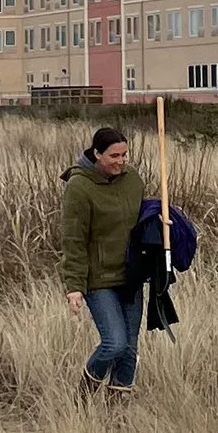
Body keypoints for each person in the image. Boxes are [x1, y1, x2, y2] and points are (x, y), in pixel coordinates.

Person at [60, 123, 147, 395]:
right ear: (97, 154)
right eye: (114, 156)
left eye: (124, 155)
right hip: (99, 279)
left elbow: (141, 220)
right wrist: (74, 286)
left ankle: (117, 413)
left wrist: (161, 223)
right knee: (115, 343)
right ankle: (83, 396)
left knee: (130, 348)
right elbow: (73, 239)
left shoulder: (133, 180)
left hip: (130, 275)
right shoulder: (79, 187)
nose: (121, 162)